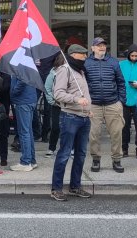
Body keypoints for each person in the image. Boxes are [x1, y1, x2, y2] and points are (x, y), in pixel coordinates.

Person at [50, 45, 94, 201]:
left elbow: (84, 94)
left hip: (84, 117)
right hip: (70, 117)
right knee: (64, 153)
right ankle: (56, 188)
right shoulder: (65, 70)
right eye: (82, 54)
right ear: (73, 54)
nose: (85, 57)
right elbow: (58, 93)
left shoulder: (80, 71)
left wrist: (88, 108)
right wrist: (76, 100)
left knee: (81, 154)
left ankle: (75, 186)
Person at [84, 37, 126, 173]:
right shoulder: (86, 63)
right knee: (94, 134)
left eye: (103, 45)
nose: (102, 47)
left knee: (116, 134)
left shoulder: (114, 62)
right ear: (92, 48)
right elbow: (82, 83)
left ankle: (117, 160)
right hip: (94, 105)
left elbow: (121, 82)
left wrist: (121, 101)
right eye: (98, 45)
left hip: (113, 104)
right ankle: (96, 160)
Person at [118, 44, 137, 161]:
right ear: (128, 55)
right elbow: (117, 80)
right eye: (132, 55)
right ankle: (124, 148)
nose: (134, 57)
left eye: (136, 55)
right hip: (124, 99)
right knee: (124, 126)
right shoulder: (121, 65)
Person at [10, 70, 39, 172]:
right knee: (28, 131)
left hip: (23, 101)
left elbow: (22, 81)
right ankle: (31, 160)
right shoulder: (27, 63)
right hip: (29, 99)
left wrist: (13, 93)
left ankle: (26, 162)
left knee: (24, 132)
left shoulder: (20, 64)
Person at [43, 56, 62, 156]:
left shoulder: (71, 71)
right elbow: (47, 87)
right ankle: (52, 147)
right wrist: (52, 101)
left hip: (69, 104)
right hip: (56, 104)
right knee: (55, 127)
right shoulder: (53, 72)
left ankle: (70, 148)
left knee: (68, 128)